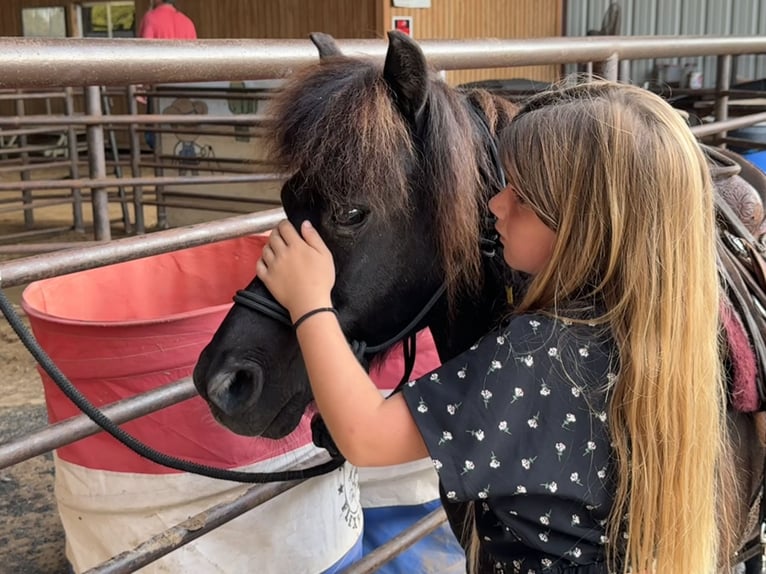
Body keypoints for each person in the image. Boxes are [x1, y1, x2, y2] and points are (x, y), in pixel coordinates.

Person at [254, 81, 730, 574]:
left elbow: (366, 435)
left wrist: (309, 301)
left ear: (582, 226)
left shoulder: (542, 353)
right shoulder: (653, 336)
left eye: (520, 196)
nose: (495, 205)